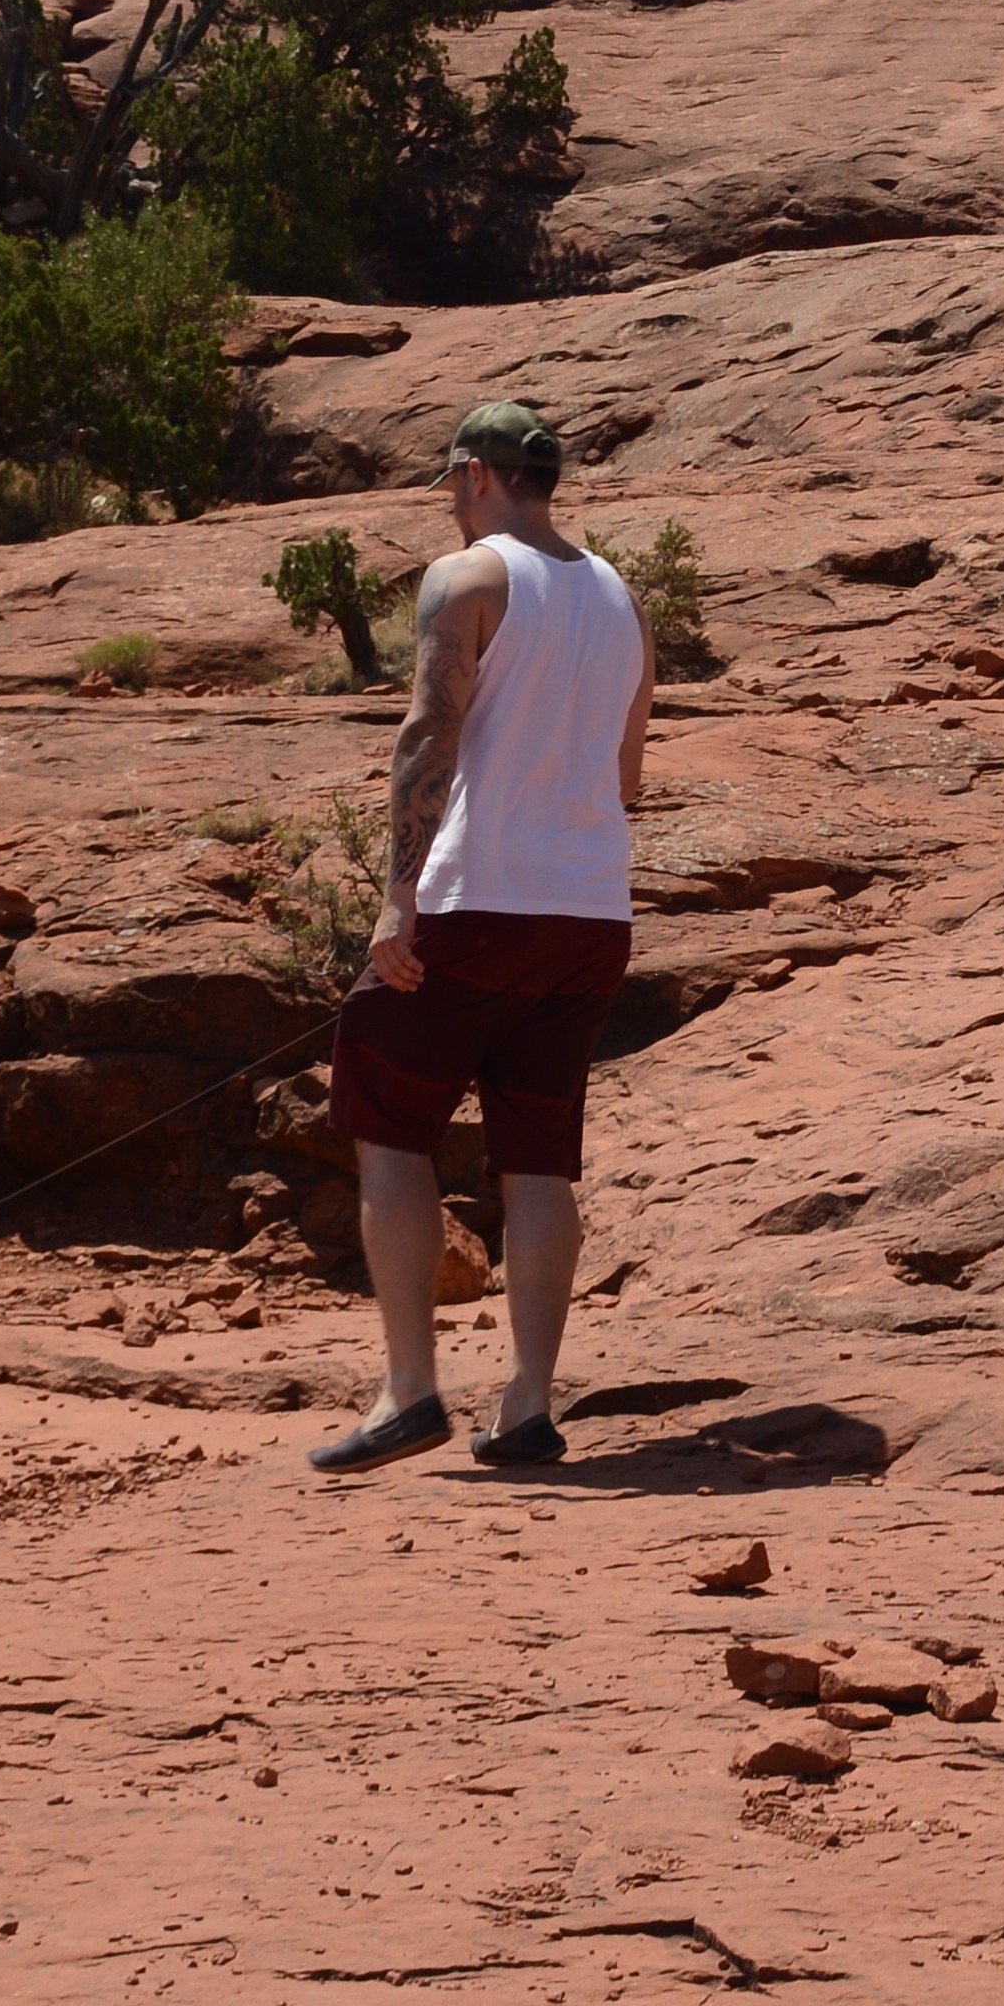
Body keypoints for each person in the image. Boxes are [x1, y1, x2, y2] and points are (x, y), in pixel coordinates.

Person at [307, 400, 651, 1478]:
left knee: (387, 1117)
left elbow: (429, 731)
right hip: (591, 908)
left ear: (471, 476)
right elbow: (628, 774)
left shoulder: (469, 579)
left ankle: (410, 1389)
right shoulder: (618, 594)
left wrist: (398, 896)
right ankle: (529, 1403)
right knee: (537, 1156)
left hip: (475, 898)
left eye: (450, 485)